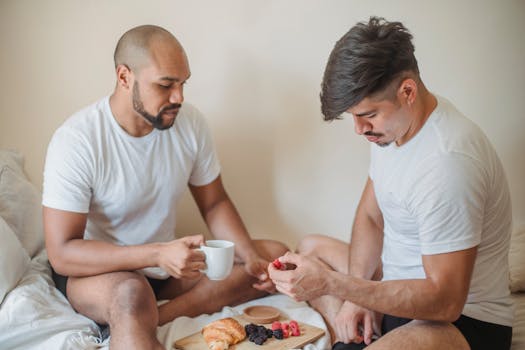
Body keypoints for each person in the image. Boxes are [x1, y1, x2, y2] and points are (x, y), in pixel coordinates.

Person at [268, 17, 513, 350]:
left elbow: (445, 301)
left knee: (326, 281)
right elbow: (371, 216)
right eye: (353, 116)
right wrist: (359, 293)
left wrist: (339, 287)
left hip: (461, 321)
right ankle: (352, 327)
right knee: (310, 248)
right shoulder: (394, 129)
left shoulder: (448, 164)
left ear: (407, 91)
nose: (358, 129)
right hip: (399, 290)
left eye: (367, 115)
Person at [42, 24, 288, 350]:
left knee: (275, 255)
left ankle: (162, 314)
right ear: (124, 77)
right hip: (99, 274)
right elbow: (62, 253)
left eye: (183, 83)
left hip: (165, 269)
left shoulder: (191, 125)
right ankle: (135, 315)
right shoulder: (77, 140)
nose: (179, 97)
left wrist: (250, 256)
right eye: (165, 85)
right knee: (132, 294)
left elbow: (214, 203)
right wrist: (157, 253)